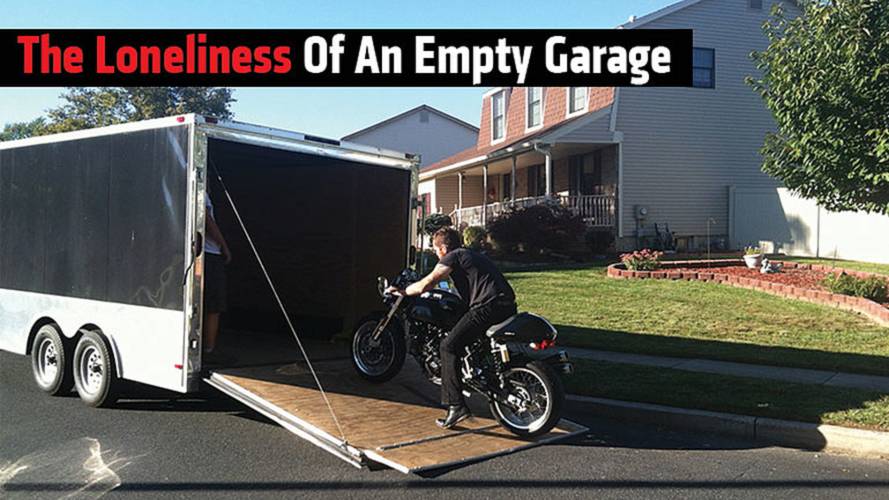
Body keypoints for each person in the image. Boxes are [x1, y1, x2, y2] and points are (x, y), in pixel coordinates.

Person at [390, 227, 517, 429]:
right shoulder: (470, 255)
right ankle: (474, 373)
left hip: (487, 307)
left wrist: (404, 291)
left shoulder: (453, 256)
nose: (435, 253)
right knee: (464, 336)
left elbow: (428, 283)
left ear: (443, 248)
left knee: (448, 347)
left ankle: (456, 406)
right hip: (506, 305)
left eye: (435, 249)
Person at [203, 191, 232, 365]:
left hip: (203, 254)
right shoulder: (202, 194)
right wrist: (224, 246)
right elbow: (208, 221)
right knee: (214, 305)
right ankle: (209, 349)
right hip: (210, 253)